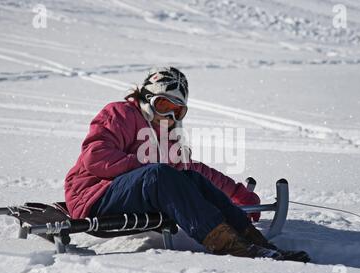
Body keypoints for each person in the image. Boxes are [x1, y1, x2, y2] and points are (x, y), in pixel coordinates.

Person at [64, 67, 309, 262]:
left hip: (134, 193)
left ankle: (256, 242)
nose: (169, 116)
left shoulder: (168, 135)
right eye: (164, 106)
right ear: (147, 98)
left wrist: (237, 193)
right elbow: (96, 157)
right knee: (160, 174)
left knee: (191, 179)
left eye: (177, 111)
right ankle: (229, 245)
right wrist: (148, 167)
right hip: (94, 197)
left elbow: (191, 170)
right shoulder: (120, 114)